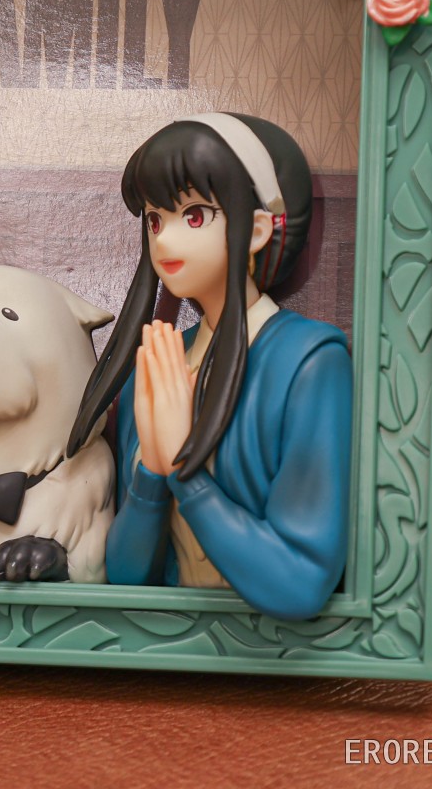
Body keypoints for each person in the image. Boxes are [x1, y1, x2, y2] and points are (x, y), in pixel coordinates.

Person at [68, 113, 352, 620]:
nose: (164, 241)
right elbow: (129, 577)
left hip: (275, 654)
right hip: (164, 647)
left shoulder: (309, 362)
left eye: (194, 216)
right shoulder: (157, 362)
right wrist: (151, 475)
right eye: (155, 220)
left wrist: (185, 472)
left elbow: (301, 583)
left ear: (258, 229)